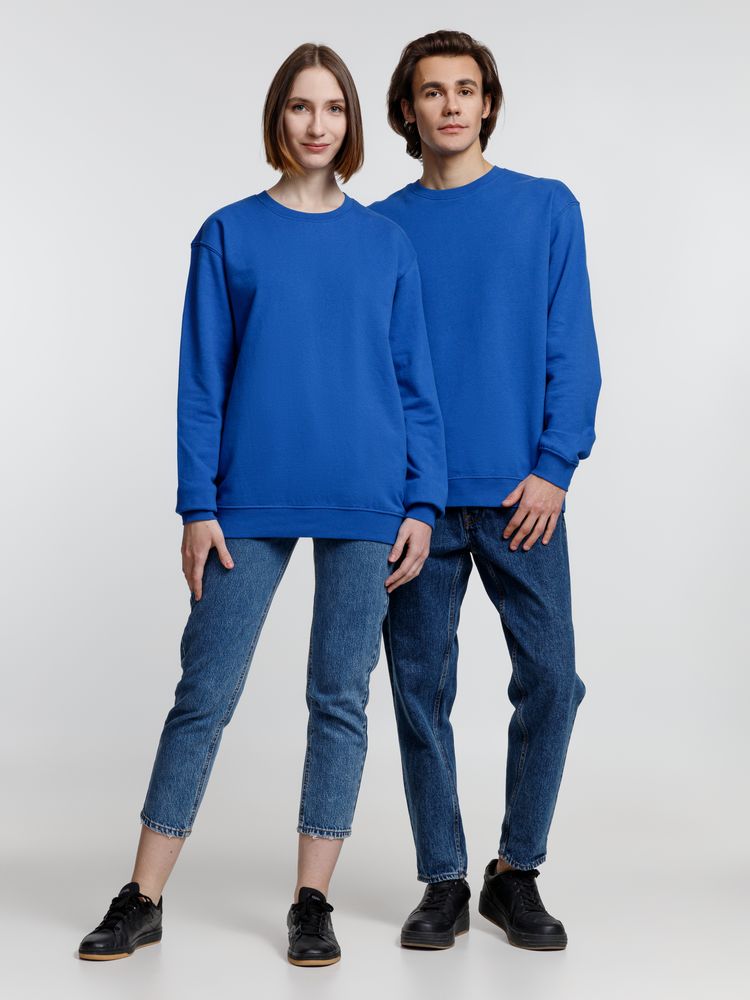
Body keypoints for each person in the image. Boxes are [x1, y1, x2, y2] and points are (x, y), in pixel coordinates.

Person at [77, 42, 447, 967]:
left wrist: (424, 503)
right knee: (205, 692)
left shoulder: (386, 244)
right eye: (300, 107)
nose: (317, 124)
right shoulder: (228, 234)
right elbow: (201, 382)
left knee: (340, 699)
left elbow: (416, 387)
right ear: (278, 117)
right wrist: (196, 506)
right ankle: (142, 896)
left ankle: (311, 901)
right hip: (247, 496)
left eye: (333, 108)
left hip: (368, 495)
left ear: (352, 122)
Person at [369, 29, 602, 951]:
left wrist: (555, 467)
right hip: (417, 506)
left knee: (552, 681)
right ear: (408, 110)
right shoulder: (379, 227)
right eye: (433, 91)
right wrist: (398, 495)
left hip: (522, 499)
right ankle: (444, 878)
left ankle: (516, 871)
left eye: (466, 89)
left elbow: (571, 345)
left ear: (489, 103)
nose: (452, 105)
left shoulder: (546, 208)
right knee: (419, 691)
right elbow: (371, 371)